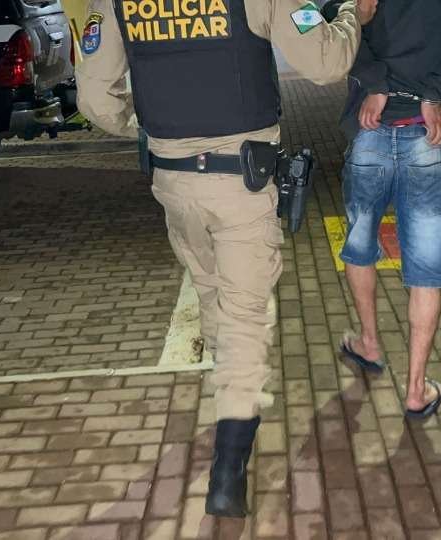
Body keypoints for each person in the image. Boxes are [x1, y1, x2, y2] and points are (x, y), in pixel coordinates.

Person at [75, 0, 377, 518]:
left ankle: (229, 399)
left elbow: (95, 98)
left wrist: (143, 126)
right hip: (241, 181)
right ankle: (228, 468)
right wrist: (352, 15)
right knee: (243, 317)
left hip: (173, 180)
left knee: (212, 292)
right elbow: (326, 62)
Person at [337, 0, 441, 419]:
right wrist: (433, 93)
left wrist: (375, 83)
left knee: (360, 244)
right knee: (426, 265)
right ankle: (415, 390)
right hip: (426, 134)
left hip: (370, 130)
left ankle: (369, 343)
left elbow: (330, 15)